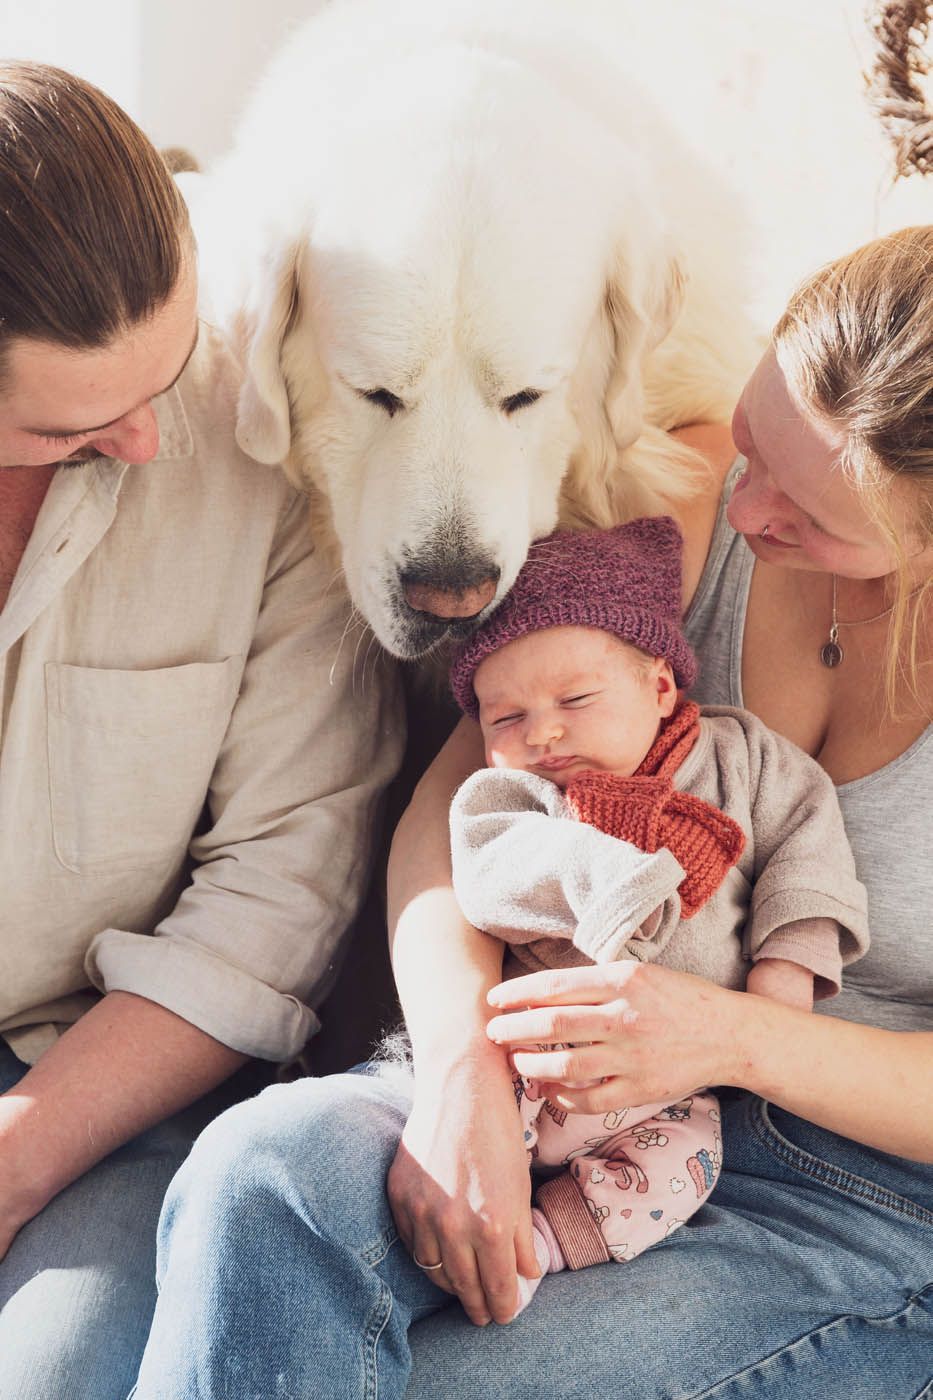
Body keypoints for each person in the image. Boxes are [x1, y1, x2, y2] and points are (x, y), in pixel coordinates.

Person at [132, 225, 932, 1400]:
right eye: (757, 443)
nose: (750, 502)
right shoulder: (685, 506)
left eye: (810, 518)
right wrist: (461, 1074)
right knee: (262, 1173)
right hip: (541, 1073)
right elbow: (457, 814)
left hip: (850, 1196)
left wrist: (735, 1034)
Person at [0, 61, 402, 1400]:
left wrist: (18, 1157)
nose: (147, 440)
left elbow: (283, 882)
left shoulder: (259, 422)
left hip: (95, 1075)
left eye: (162, 374)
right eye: (71, 425)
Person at [443, 514, 867, 1306]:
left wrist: (784, 979)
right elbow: (492, 872)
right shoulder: (510, 795)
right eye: (506, 719)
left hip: (675, 1087)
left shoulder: (747, 760)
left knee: (682, 1165)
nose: (544, 733)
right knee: (465, 1131)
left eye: (575, 698)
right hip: (529, 1058)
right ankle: (481, 1219)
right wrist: (602, 878)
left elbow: (807, 859)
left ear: (660, 686)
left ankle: (545, 1244)